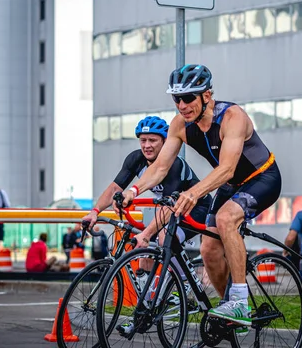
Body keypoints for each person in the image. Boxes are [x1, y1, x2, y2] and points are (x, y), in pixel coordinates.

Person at [117, 64, 282, 327]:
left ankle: (239, 302)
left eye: (188, 98)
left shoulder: (232, 116)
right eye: (176, 99)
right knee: (208, 249)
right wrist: (133, 191)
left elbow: (227, 169)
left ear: (206, 95)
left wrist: (193, 192)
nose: (182, 105)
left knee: (227, 219)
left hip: (262, 178)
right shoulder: (180, 124)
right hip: (231, 183)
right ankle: (229, 310)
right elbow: (160, 167)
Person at [82, 115, 212, 248]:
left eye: (152, 140)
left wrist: (146, 234)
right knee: (145, 252)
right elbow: (114, 189)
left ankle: (178, 269)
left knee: (163, 239)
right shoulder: (136, 159)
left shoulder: (174, 164)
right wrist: (94, 212)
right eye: (143, 140)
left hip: (197, 208)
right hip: (173, 209)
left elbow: (169, 206)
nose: (147, 146)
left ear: (165, 141)